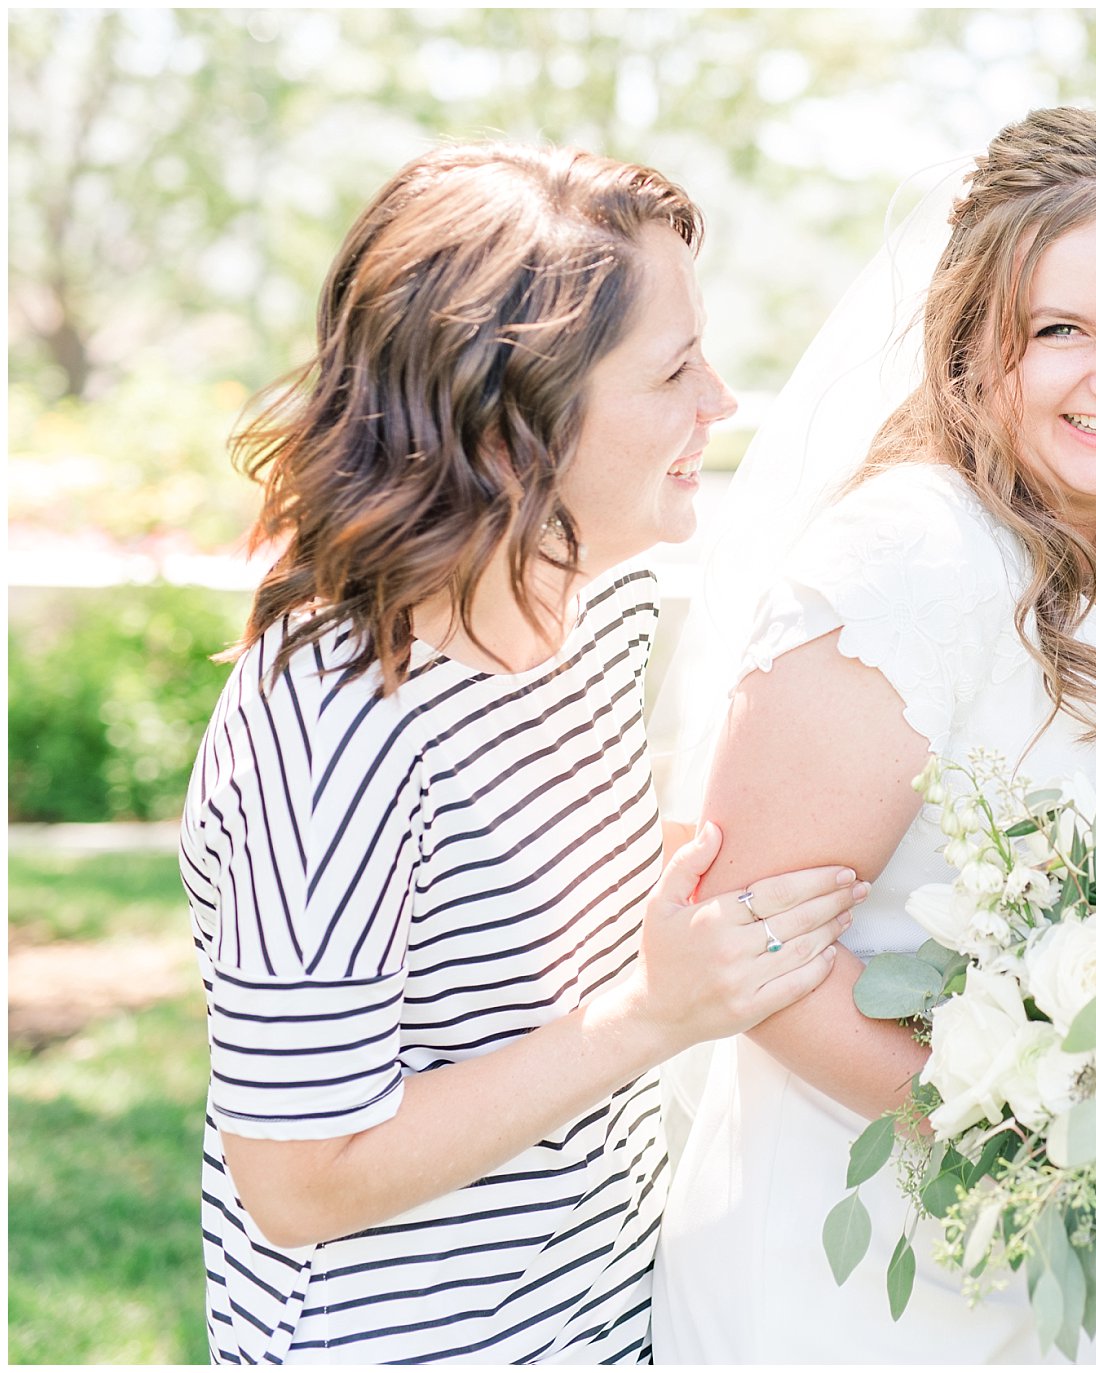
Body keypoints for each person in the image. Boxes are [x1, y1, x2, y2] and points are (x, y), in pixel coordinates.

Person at [179, 142, 860, 1364]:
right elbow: (299, 1178)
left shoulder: (601, 608)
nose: (720, 398)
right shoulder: (333, 723)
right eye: (671, 369)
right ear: (512, 424)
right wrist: (652, 1015)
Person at [648, 106, 1096, 1362]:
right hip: (871, 1271)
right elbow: (748, 952)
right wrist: (1058, 1162)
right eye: (1060, 329)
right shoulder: (909, 554)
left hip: (1082, 1269)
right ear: (972, 337)